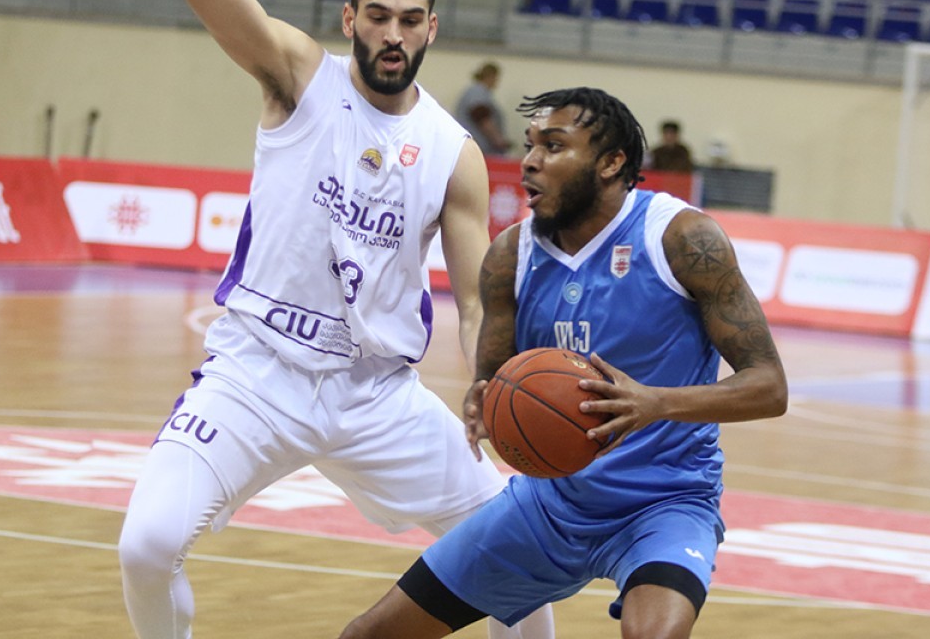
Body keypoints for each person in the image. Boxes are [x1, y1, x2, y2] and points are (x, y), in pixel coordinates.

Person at [116, 0, 553, 638]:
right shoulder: (297, 76)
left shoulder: (452, 153)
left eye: (410, 20)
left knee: (518, 554)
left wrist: (488, 378)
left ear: (431, 29)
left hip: (375, 392)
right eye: (377, 16)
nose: (393, 34)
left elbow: (474, 301)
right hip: (258, 371)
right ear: (351, 20)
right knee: (147, 545)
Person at [338, 87, 788, 639]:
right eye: (530, 145)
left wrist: (655, 403)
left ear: (611, 162)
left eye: (553, 146)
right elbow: (496, 379)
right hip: (549, 505)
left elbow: (770, 386)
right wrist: (486, 401)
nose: (530, 160)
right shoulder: (510, 255)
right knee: (368, 635)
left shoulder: (681, 238)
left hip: (665, 502)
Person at [454, 61, 512, 156]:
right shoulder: (477, 92)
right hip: (479, 149)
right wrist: (498, 139)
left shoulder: (479, 93)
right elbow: (481, 115)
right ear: (490, 76)